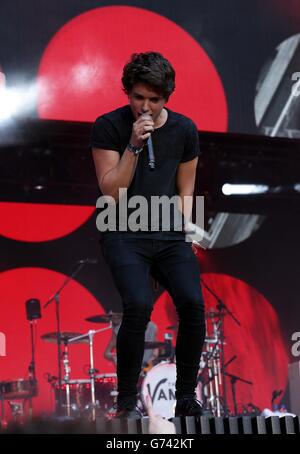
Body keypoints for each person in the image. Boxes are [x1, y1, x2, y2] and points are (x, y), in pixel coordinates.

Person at [90, 51, 206, 418]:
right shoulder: (108, 126)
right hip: (122, 226)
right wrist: (134, 145)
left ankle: (186, 397)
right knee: (138, 304)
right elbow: (112, 190)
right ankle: (127, 403)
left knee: (192, 304)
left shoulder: (185, 130)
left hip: (168, 230)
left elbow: (185, 188)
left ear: (166, 97)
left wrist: (186, 230)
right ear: (127, 92)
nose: (146, 106)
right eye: (138, 97)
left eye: (154, 100)